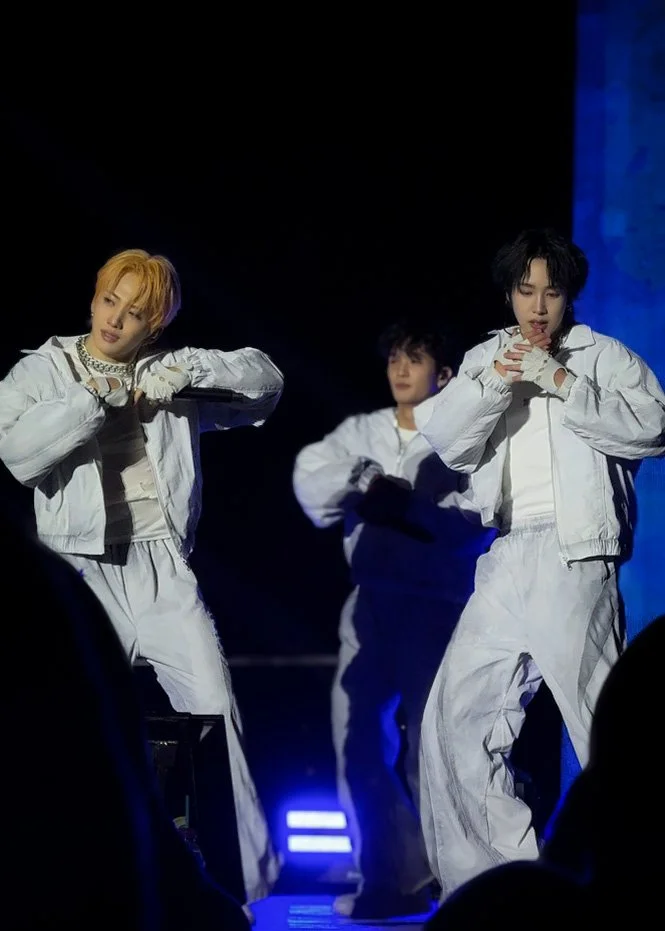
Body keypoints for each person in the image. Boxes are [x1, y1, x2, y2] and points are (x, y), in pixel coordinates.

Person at [0, 248, 283, 909]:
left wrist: (187, 371)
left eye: (133, 313)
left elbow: (266, 384)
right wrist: (91, 400)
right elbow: (17, 455)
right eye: (109, 301)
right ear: (94, 296)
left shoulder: (167, 371)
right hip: (80, 568)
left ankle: (236, 889)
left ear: (154, 325)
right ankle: (63, 882)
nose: (114, 320)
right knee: (69, 723)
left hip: (160, 568)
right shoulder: (44, 368)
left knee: (213, 708)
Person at [414, 227, 665, 901]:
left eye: (551, 292)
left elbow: (653, 427)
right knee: (455, 721)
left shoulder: (603, 356)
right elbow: (449, 443)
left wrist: (559, 380)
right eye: (525, 291)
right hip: (505, 556)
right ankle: (503, 887)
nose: (538, 306)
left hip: (576, 556)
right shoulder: (485, 358)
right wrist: (499, 381)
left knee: (602, 726)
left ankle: (632, 876)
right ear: (509, 294)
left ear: (568, 297)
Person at [292, 318, 494, 920]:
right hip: (369, 603)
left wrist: (412, 510)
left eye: (416, 359)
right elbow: (310, 478)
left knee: (433, 744)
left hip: (436, 606)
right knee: (356, 741)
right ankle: (385, 875)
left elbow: (479, 522)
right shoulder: (363, 432)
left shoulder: (461, 440)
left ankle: (457, 879)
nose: (401, 370)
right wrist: (363, 481)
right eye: (394, 359)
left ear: (445, 374)